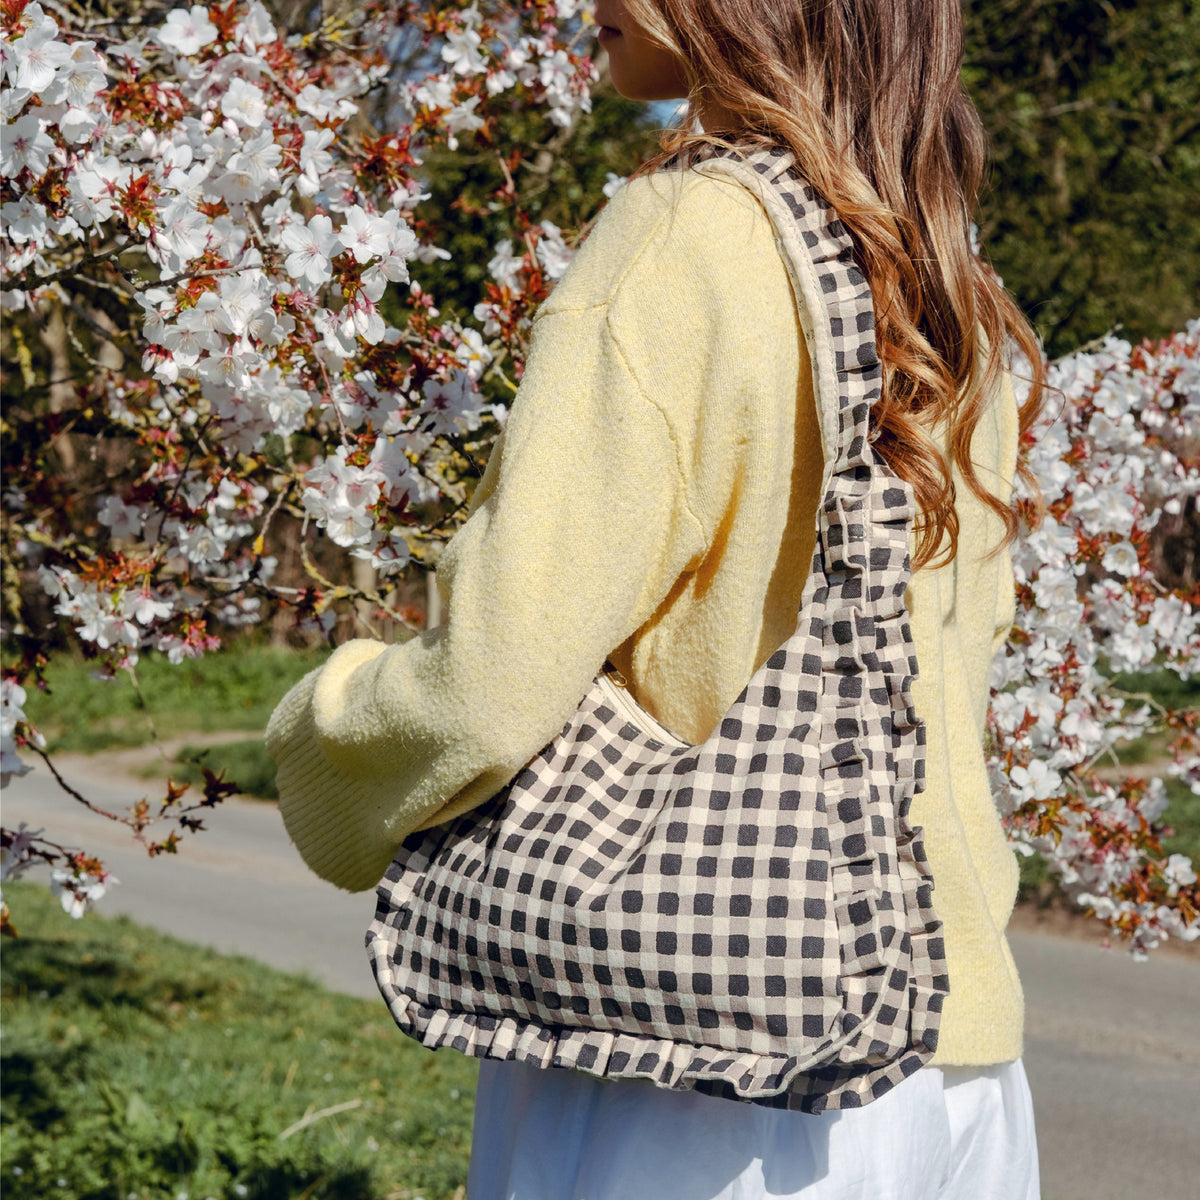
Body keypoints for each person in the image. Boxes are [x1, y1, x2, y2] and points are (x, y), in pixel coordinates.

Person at [266, 1, 1048, 1196]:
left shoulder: (684, 238)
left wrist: (328, 733)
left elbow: (488, 684)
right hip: (956, 1066)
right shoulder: (941, 272)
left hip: (699, 1069)